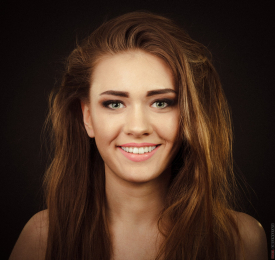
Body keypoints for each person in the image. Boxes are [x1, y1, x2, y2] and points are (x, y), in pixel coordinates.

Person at [9, 11, 268, 260]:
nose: (138, 127)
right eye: (114, 104)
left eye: (161, 102)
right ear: (87, 117)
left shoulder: (243, 239)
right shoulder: (41, 238)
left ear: (189, 114)